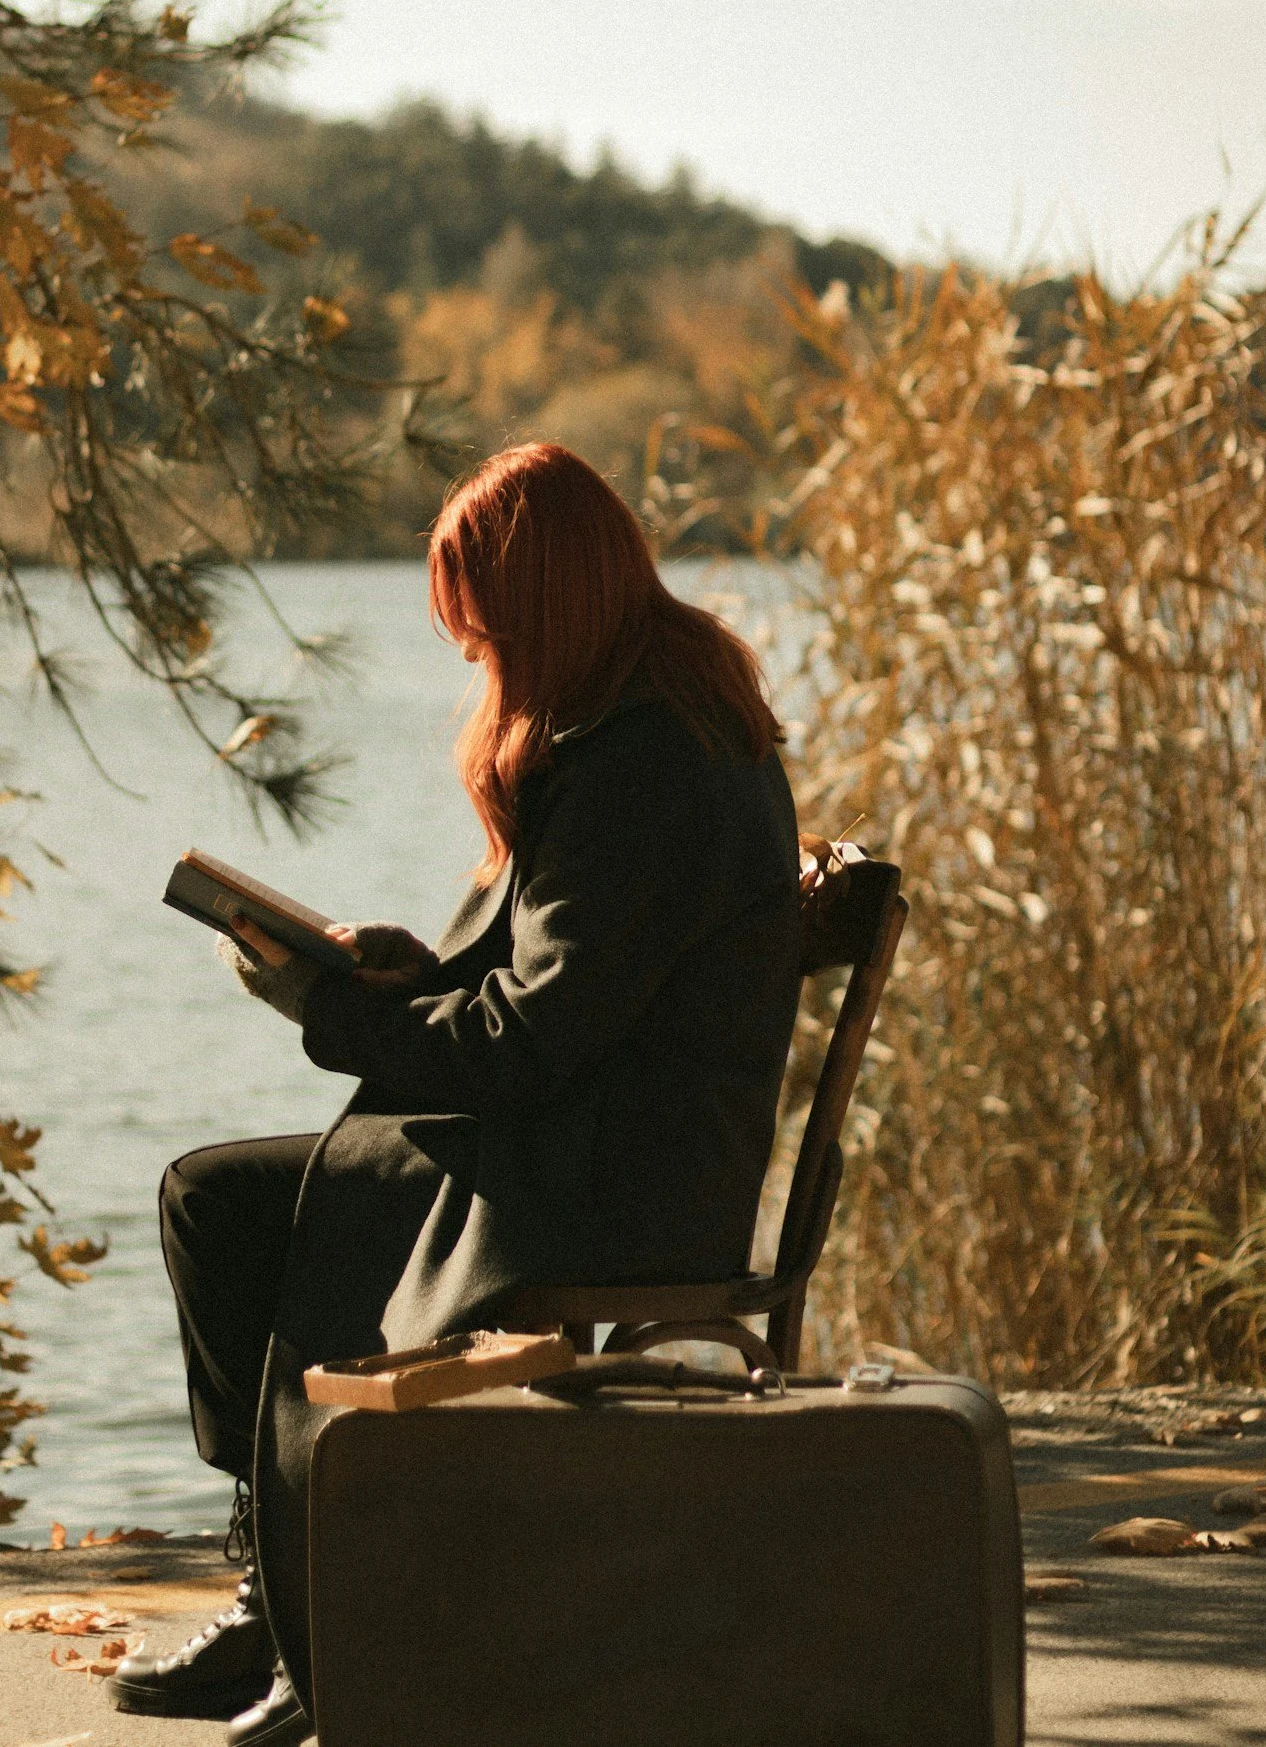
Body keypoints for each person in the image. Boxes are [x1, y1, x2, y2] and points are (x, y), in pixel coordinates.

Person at [112, 443, 801, 1743]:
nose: (477, 662)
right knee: (231, 1197)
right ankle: (285, 1589)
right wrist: (406, 981)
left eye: (483, 635)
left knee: (229, 1203)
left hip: (606, 1181)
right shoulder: (652, 727)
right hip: (607, 1139)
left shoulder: (644, 768)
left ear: (541, 610)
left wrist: (324, 1008)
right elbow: (565, 1002)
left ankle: (304, 1617)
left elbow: (524, 1047)